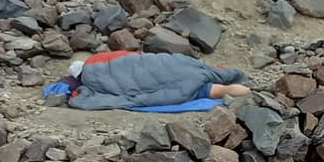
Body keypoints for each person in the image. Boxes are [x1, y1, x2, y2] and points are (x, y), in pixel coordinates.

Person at [62, 51, 251, 110]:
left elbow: (119, 92)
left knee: (211, 90)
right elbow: (134, 57)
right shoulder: (101, 59)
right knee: (201, 74)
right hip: (174, 63)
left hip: (162, 75)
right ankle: (246, 89)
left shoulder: (90, 77)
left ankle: (244, 93)